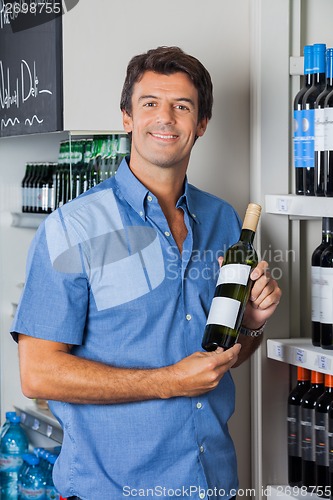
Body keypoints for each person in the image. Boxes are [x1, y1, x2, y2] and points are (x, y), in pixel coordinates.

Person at [11, 46, 281, 500]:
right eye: (150, 103)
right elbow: (38, 374)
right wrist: (168, 381)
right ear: (127, 118)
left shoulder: (223, 221)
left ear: (202, 124)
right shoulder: (73, 227)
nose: (166, 118)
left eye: (182, 106)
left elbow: (223, 356)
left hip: (214, 484)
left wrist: (252, 324)